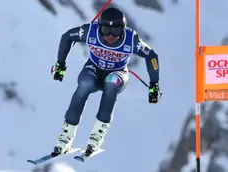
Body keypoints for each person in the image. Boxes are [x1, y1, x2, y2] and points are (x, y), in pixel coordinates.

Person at [52, 7, 160, 156]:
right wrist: (60, 65)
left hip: (118, 72)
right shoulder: (90, 31)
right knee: (85, 84)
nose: (110, 36)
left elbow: (151, 56)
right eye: (105, 30)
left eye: (115, 31)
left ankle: (96, 137)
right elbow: (67, 37)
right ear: (99, 26)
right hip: (94, 69)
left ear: (123, 29)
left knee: (111, 83)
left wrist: (154, 85)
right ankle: (66, 136)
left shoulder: (131, 38)